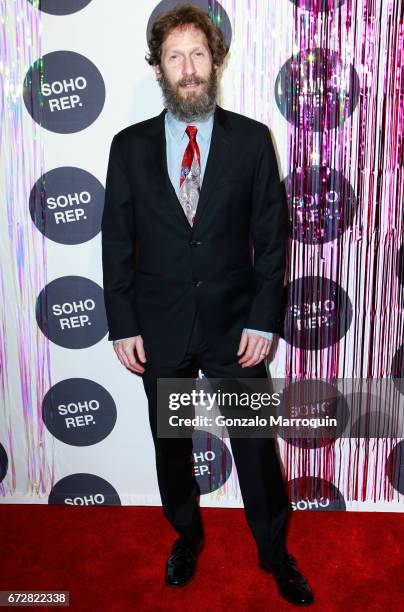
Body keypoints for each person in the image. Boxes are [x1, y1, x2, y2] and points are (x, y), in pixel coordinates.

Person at [101, 3, 313, 606]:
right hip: (159, 328)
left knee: (256, 452)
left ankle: (275, 553)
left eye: (198, 54)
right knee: (172, 447)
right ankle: (186, 537)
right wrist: (123, 324)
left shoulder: (251, 140)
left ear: (215, 62)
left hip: (234, 330)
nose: (188, 68)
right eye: (175, 57)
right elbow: (116, 241)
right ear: (159, 68)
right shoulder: (129, 147)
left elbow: (273, 242)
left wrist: (261, 320)